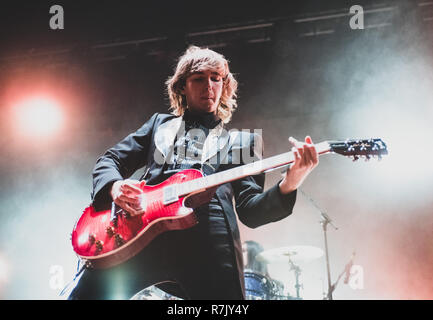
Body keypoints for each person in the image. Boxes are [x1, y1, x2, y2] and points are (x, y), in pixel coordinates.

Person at [64, 45, 319, 300]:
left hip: (208, 242)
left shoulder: (243, 142)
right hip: (143, 232)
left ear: (224, 86)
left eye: (215, 78)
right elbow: (110, 160)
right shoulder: (159, 126)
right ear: (182, 87)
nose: (208, 86)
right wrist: (115, 187)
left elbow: (251, 210)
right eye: (198, 78)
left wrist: (291, 181)